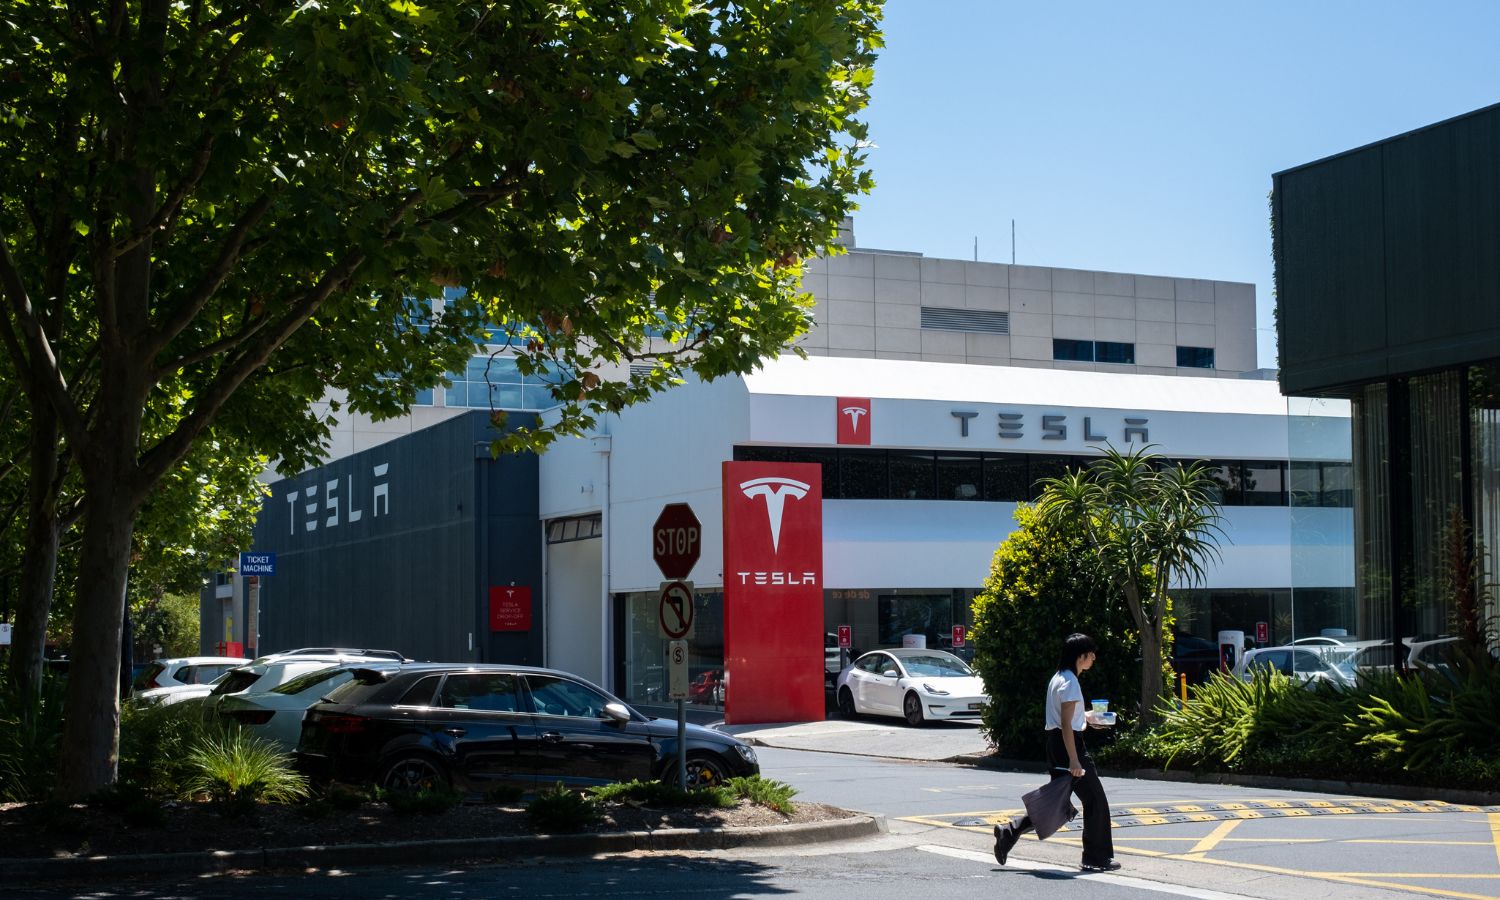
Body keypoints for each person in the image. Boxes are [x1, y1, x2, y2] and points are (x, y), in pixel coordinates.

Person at [992, 632, 1120, 872]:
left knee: (1056, 804)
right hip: (1068, 747)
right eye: (1090, 653)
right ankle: (1096, 857)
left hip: (1057, 745)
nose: (1093, 657)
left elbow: (1067, 720)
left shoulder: (1059, 678)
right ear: (1080, 656)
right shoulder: (1070, 683)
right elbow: (1065, 725)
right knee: (1096, 801)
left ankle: (1009, 832)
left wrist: (1088, 718)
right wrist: (1074, 758)